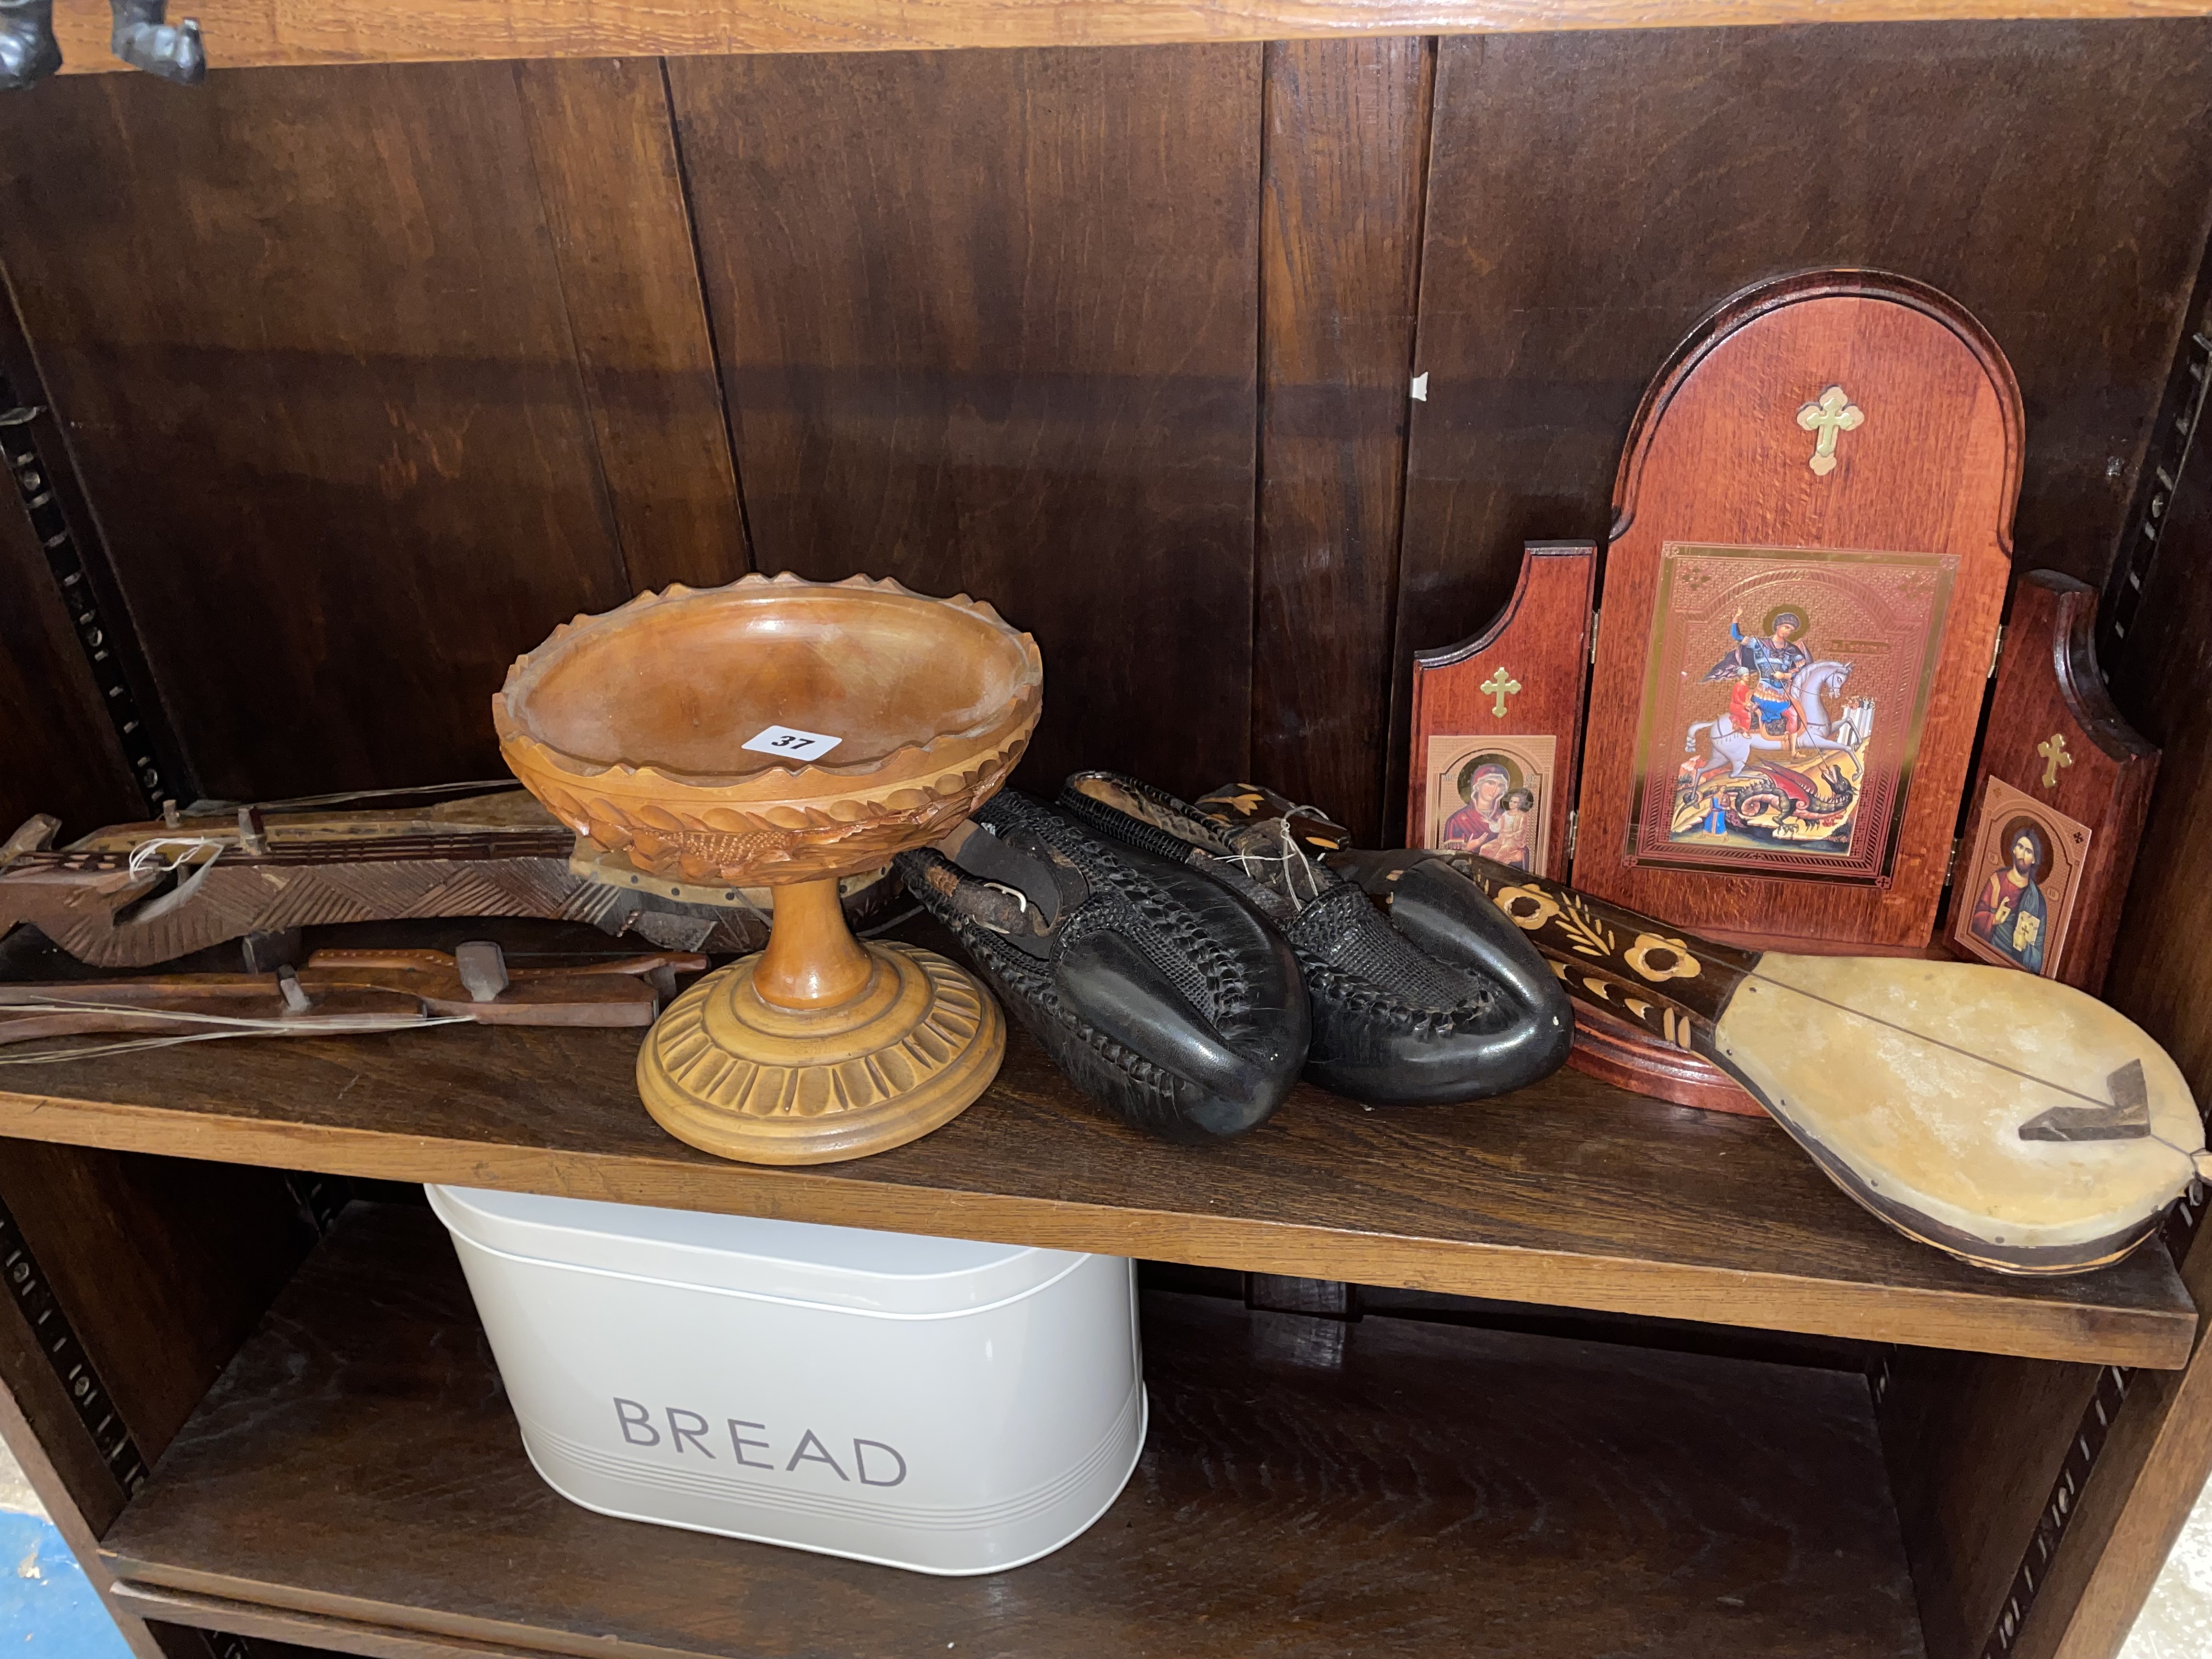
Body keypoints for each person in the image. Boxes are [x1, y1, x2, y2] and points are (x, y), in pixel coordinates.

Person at [1705, 608, 1810, 753]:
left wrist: (1785, 676)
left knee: (1794, 715)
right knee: (1782, 713)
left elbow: (1803, 671)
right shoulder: (1759, 644)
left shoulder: (1792, 650)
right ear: (1778, 626)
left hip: (1782, 693)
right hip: (1765, 692)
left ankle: (1793, 751)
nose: (1788, 631)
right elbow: (1736, 636)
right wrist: (1736, 617)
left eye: (1791, 630)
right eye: (1786, 627)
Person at [1970, 825, 2050, 973]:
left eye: (2028, 851)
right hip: (1984, 964)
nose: (2022, 854)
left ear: (2034, 859)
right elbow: (1973, 923)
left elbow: (2038, 958)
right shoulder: (1997, 882)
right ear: (2013, 849)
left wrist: (2025, 947)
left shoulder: (2038, 902)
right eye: (2020, 847)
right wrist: (1994, 919)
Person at [1442, 764, 1509, 853]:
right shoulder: (1457, 820)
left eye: (1500, 786)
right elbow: (1448, 858)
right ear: (1477, 785)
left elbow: (1515, 845)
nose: (1495, 790)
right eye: (1491, 783)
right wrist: (1467, 848)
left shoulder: (1507, 817)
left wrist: (1520, 855)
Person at [1487, 788, 1535, 870]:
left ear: (1519, 804)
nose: (1511, 804)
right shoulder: (1505, 814)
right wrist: (1489, 822)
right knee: (1485, 849)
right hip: (1502, 840)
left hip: (1513, 842)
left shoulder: (1522, 816)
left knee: (1498, 856)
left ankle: (1494, 876)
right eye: (1511, 801)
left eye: (1515, 802)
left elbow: (1522, 831)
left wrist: (1511, 834)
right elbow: (1498, 827)